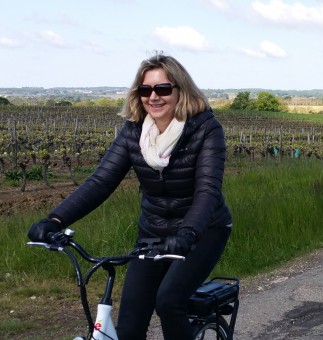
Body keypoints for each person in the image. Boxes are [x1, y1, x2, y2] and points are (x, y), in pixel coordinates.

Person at [27, 54, 233, 340]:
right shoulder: (134, 131)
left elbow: (207, 192)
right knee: (129, 326)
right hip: (153, 233)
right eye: (145, 90)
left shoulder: (206, 129)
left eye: (162, 89)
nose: (153, 97)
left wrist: (188, 233)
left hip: (202, 231)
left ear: (180, 91)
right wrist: (55, 219)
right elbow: (101, 181)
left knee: (170, 300)